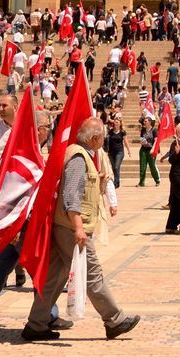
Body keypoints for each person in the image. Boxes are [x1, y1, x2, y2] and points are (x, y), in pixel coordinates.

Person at [23, 117, 139, 340]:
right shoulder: (78, 158)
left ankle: (36, 324)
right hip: (72, 228)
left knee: (54, 277)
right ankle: (114, 319)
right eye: (102, 137)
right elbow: (71, 196)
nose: (103, 141)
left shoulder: (79, 154)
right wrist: (78, 227)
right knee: (92, 275)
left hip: (64, 225)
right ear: (95, 138)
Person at [0, 112, 74, 334]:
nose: (49, 130)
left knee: (1, 269)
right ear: (38, 130)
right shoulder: (22, 157)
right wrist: (16, 226)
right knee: (41, 267)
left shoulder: (25, 154)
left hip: (15, 225)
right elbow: (14, 193)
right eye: (47, 126)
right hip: (21, 225)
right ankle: (47, 316)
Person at [106, 113, 131, 189]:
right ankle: (117, 181)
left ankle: (116, 182)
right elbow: (107, 141)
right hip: (111, 152)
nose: (115, 124)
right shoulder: (110, 131)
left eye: (117, 122)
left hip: (119, 152)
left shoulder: (122, 132)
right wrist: (106, 151)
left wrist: (129, 150)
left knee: (116, 166)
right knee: (114, 167)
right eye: (115, 122)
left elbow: (125, 141)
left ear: (120, 124)